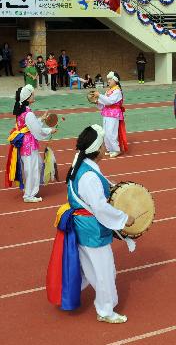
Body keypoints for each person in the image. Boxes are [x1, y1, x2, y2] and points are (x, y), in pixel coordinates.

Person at [45, 125, 136, 324]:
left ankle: (74, 290)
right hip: (91, 229)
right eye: (102, 145)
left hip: (81, 226)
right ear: (96, 149)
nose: (105, 148)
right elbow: (100, 207)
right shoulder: (88, 176)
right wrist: (123, 218)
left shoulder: (81, 162)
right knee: (105, 272)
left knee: (90, 267)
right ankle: (105, 311)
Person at [7, 85, 56, 203]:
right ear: (28, 98)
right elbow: (37, 131)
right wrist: (50, 130)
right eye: (32, 94)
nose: (34, 96)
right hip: (28, 144)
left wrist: (41, 119)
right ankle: (29, 195)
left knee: (36, 165)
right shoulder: (28, 113)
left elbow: (29, 126)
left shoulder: (22, 110)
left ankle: (30, 190)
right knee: (32, 168)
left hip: (24, 143)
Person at [96, 72, 128, 158]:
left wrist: (99, 95)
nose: (108, 81)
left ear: (115, 80)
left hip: (114, 114)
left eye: (110, 79)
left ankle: (116, 150)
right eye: (108, 79)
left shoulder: (117, 91)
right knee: (106, 133)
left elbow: (109, 101)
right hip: (106, 114)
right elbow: (103, 104)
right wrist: (97, 101)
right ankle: (110, 149)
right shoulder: (108, 91)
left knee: (111, 132)